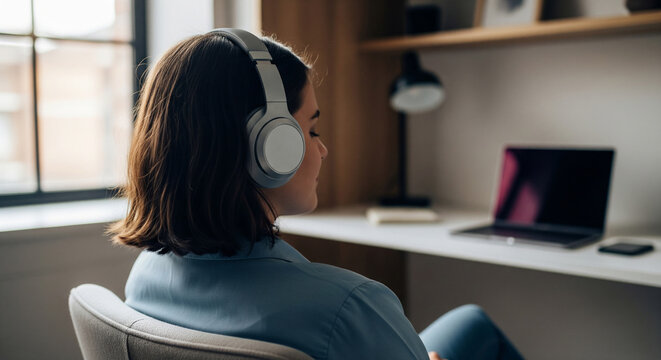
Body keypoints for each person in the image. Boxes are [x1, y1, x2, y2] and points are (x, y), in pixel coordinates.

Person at [110, 29, 524, 360]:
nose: (323, 149)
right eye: (310, 129)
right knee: (475, 326)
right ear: (269, 145)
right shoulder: (349, 307)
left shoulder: (146, 276)